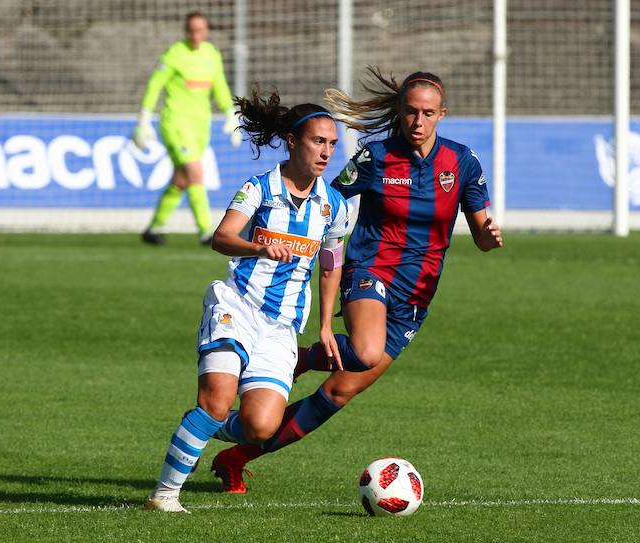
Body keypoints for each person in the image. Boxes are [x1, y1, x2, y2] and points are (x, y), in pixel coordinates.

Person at [209, 68, 503, 493]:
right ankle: (301, 358)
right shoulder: (376, 157)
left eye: (427, 114)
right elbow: (326, 202)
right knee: (365, 351)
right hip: (369, 272)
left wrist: (489, 236)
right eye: (410, 112)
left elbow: (481, 235)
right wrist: (290, 242)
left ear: (443, 114)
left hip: (417, 295)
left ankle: (237, 453)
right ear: (400, 113)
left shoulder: (462, 162)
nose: (418, 122)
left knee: (338, 394)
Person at [144, 87, 351, 513]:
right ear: (293, 141)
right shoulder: (259, 189)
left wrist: (327, 325)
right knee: (217, 400)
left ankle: (204, 428)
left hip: (281, 327)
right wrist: (257, 248)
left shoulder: (333, 207)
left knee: (260, 427)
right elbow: (222, 237)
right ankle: (164, 495)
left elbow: (331, 263)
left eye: (332, 143)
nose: (326, 151)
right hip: (235, 307)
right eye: (318, 141)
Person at [132, 11, 241, 246]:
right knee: (195, 172)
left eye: (200, 29)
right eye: (192, 30)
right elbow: (154, 85)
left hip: (201, 125)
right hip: (176, 123)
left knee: (182, 180)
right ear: (186, 30)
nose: (196, 34)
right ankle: (206, 231)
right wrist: (144, 118)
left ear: (207, 30)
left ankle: (153, 228)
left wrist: (231, 114)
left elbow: (219, 86)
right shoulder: (175, 54)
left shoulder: (212, 54)